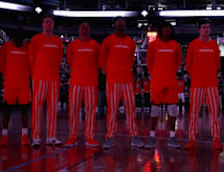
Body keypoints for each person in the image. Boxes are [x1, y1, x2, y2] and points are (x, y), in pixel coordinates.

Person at [99, 17, 143, 149]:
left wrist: (125, 70)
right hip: (112, 81)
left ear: (125, 26)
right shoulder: (108, 41)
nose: (120, 26)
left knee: (131, 109)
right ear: (115, 26)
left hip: (127, 81)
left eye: (122, 24)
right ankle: (110, 136)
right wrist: (108, 71)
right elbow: (102, 59)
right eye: (118, 24)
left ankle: (134, 136)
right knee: (112, 110)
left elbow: (131, 60)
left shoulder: (130, 42)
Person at [184, 19, 223, 150]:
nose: (206, 29)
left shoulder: (214, 45)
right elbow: (188, 65)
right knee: (194, 113)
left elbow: (218, 63)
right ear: (199, 29)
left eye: (208, 27)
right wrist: (196, 76)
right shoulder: (193, 45)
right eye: (204, 27)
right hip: (197, 84)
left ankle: (216, 139)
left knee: (214, 113)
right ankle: (191, 139)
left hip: (212, 84)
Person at [145, 22, 182, 149]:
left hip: (171, 81)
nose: (167, 31)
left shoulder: (176, 45)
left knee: (172, 109)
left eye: (169, 30)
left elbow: (178, 62)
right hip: (157, 82)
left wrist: (170, 73)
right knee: (154, 109)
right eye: (165, 29)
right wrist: (155, 75)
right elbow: (149, 62)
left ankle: (172, 137)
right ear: (161, 31)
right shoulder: (153, 45)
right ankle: (151, 136)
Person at [29, 15, 63, 147]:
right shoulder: (36, 39)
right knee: (37, 108)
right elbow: (31, 58)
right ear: (42, 25)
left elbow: (59, 57)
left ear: (53, 25)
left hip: (53, 78)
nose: (48, 24)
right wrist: (35, 74)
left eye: (50, 22)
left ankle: (51, 136)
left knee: (52, 108)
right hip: (39, 77)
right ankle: (36, 137)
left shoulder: (58, 41)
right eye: (46, 22)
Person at [65, 22, 101, 148]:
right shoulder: (72, 45)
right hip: (76, 82)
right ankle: (72, 136)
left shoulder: (96, 45)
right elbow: (70, 62)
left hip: (91, 83)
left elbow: (99, 63)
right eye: (82, 28)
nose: (85, 30)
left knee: (91, 110)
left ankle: (90, 137)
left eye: (87, 28)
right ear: (79, 30)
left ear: (89, 30)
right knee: (74, 109)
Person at [0, 31, 31, 146]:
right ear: (12, 39)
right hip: (10, 83)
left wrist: (29, 76)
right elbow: (0, 63)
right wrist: (4, 75)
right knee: (7, 110)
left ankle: (25, 136)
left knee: (24, 110)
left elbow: (31, 63)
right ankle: (4, 136)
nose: (18, 43)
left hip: (24, 84)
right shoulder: (6, 47)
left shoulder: (27, 47)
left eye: (20, 40)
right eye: (16, 40)